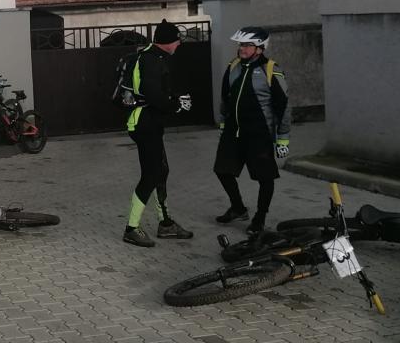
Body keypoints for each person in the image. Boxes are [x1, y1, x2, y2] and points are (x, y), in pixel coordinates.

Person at [122, 19, 194, 248]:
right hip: (144, 124)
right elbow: (152, 93)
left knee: (161, 171)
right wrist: (176, 106)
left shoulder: (152, 56)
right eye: (177, 41)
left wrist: (175, 100)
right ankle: (131, 229)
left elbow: (155, 91)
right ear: (168, 42)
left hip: (150, 123)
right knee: (151, 174)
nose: (178, 45)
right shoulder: (151, 59)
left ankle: (166, 224)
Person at [213, 26, 291, 235]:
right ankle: (238, 208)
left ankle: (260, 218)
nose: (242, 49)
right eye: (241, 45)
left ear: (260, 48)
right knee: (222, 170)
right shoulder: (233, 66)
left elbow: (283, 106)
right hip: (233, 131)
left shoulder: (270, 69)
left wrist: (283, 138)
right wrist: (223, 124)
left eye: (247, 45)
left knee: (265, 178)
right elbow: (225, 98)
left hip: (259, 134)